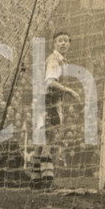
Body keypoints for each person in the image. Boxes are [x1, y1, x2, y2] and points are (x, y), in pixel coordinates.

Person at [31, 30, 80, 189]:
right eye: (60, 40)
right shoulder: (54, 60)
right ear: (54, 43)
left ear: (70, 43)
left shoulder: (60, 60)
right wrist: (70, 90)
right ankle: (47, 181)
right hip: (48, 104)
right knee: (48, 142)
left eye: (66, 40)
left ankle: (35, 181)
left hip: (45, 103)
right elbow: (50, 82)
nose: (64, 43)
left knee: (40, 144)